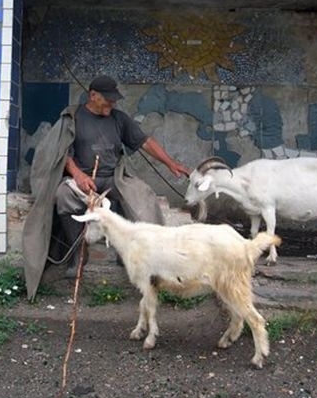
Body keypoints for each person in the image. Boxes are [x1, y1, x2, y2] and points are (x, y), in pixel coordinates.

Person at [20, 75, 190, 299]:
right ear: (93, 96)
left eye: (114, 99)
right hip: (82, 180)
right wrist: (78, 174)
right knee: (62, 195)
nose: (113, 103)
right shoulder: (73, 118)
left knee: (142, 197)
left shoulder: (119, 119)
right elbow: (60, 153)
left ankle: (148, 260)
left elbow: (145, 142)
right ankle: (78, 253)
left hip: (113, 178)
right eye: (108, 99)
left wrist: (171, 163)